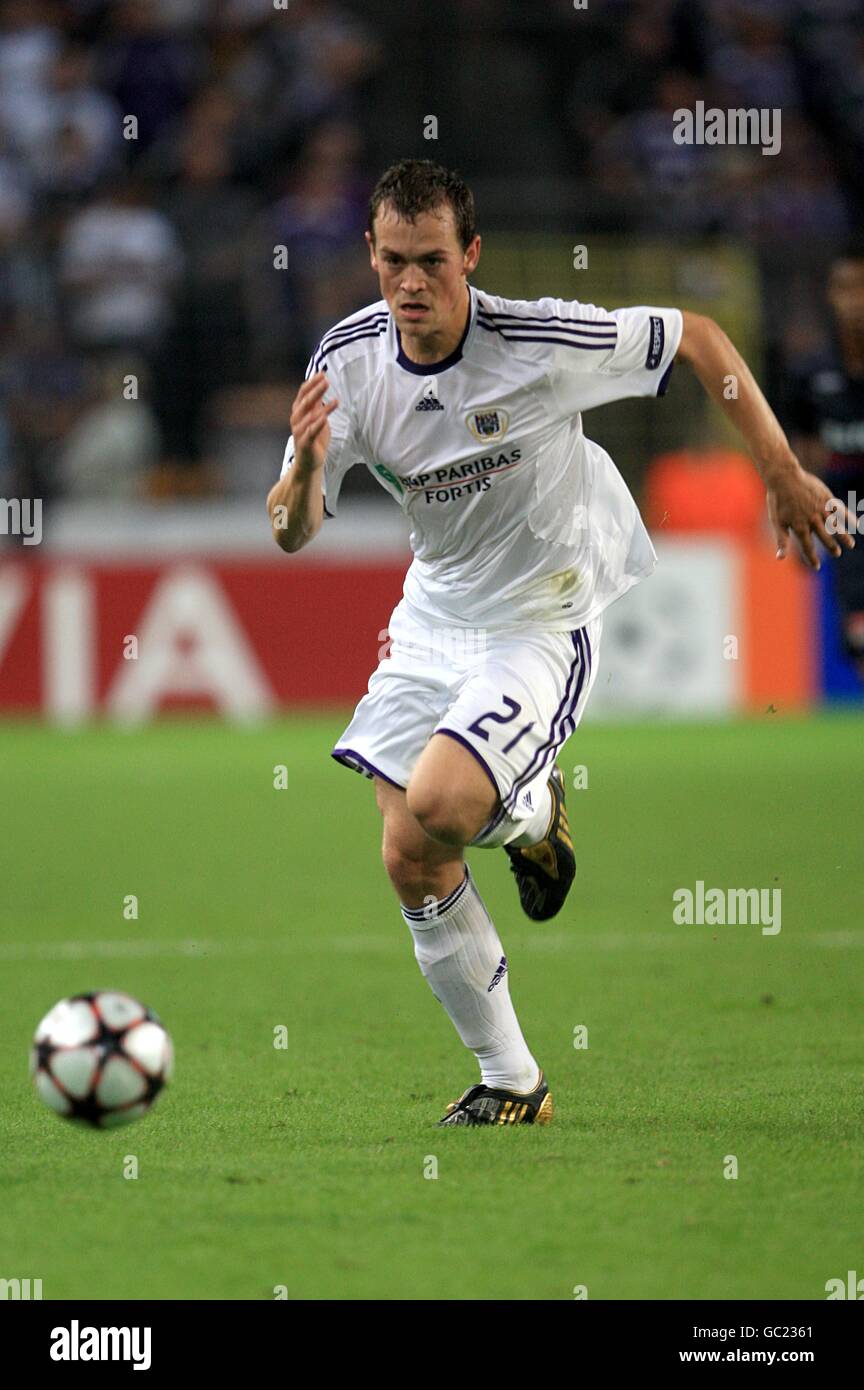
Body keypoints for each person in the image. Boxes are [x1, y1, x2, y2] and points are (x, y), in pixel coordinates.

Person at [267, 159, 854, 1127]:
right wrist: (304, 480)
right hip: (433, 618)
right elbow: (293, 532)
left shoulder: (538, 339)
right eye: (392, 262)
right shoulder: (346, 363)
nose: (410, 285)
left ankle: (532, 808)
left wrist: (783, 472)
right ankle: (514, 1081)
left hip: (540, 613)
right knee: (409, 851)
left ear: (472, 256)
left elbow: (699, 339)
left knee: (443, 804)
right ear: (369, 255)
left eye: (432, 262)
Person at [783, 237, 864, 678]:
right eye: (844, 288)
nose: (854, 302)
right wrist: (799, 524)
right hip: (848, 527)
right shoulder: (811, 376)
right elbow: (801, 456)